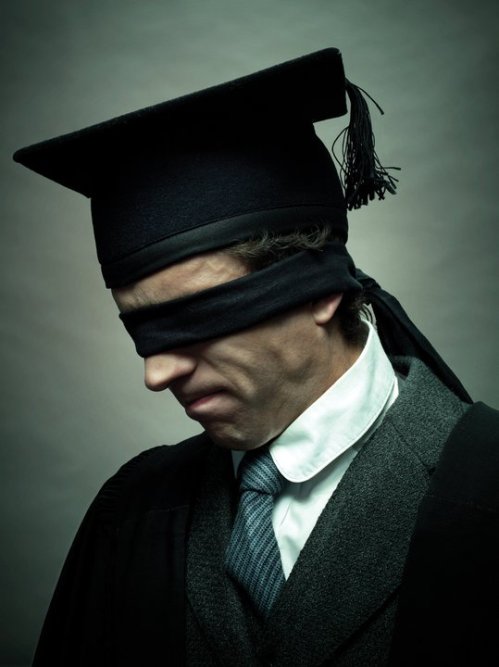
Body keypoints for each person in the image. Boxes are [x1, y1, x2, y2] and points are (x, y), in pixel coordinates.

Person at [14, 48, 498, 666]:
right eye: (141, 330)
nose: (155, 374)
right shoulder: (132, 514)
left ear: (319, 289)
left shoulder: (484, 492)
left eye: (192, 317)